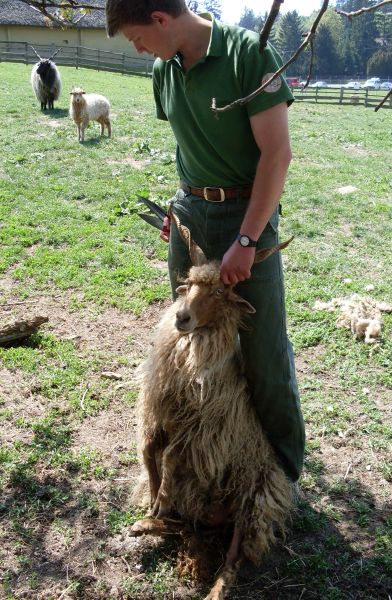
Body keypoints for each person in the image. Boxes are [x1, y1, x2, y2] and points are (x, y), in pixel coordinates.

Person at [105, 0, 305, 484]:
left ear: (160, 18)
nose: (138, 48)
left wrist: (247, 237)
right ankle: (195, 467)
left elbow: (277, 155)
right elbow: (187, 142)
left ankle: (280, 475)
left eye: (137, 37)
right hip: (191, 215)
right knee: (186, 340)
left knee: (264, 352)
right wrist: (180, 209)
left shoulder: (248, 55)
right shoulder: (164, 71)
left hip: (247, 216)